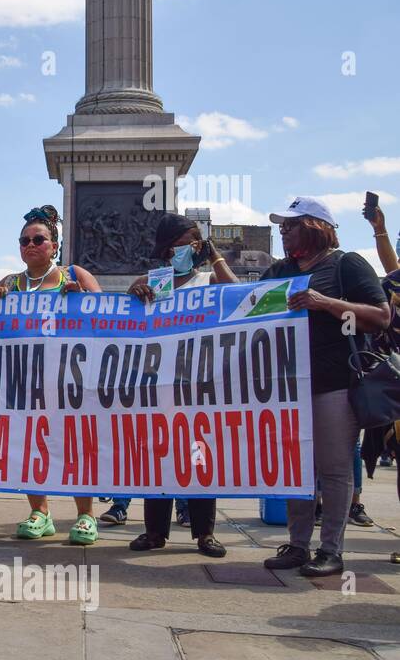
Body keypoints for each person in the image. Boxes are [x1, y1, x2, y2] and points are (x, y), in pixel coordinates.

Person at [260, 197, 388, 577]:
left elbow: (380, 317)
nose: (283, 231)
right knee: (297, 469)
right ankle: (297, 545)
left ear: (316, 226)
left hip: (333, 383)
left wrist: (326, 303)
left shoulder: (346, 264)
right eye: (281, 226)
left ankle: (331, 550)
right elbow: (242, 305)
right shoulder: (281, 269)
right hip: (289, 386)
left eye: (291, 225)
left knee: (333, 469)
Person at [121, 213, 238, 558]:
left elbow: (236, 295)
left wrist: (215, 255)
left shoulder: (207, 279)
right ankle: (155, 531)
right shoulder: (154, 282)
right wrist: (134, 294)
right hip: (157, 384)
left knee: (200, 457)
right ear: (170, 247)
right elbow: (126, 323)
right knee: (158, 458)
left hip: (198, 385)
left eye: (198, 240)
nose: (195, 245)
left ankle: (205, 533)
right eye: (189, 240)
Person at [0, 205, 103, 545]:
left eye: (38, 239)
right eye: (25, 240)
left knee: (74, 445)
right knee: (29, 446)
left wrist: (82, 301)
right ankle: (40, 512)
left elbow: (107, 318)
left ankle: (85, 515)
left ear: (54, 245)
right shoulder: (11, 282)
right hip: (23, 380)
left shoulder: (74, 275)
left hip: (69, 380)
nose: (31, 245)